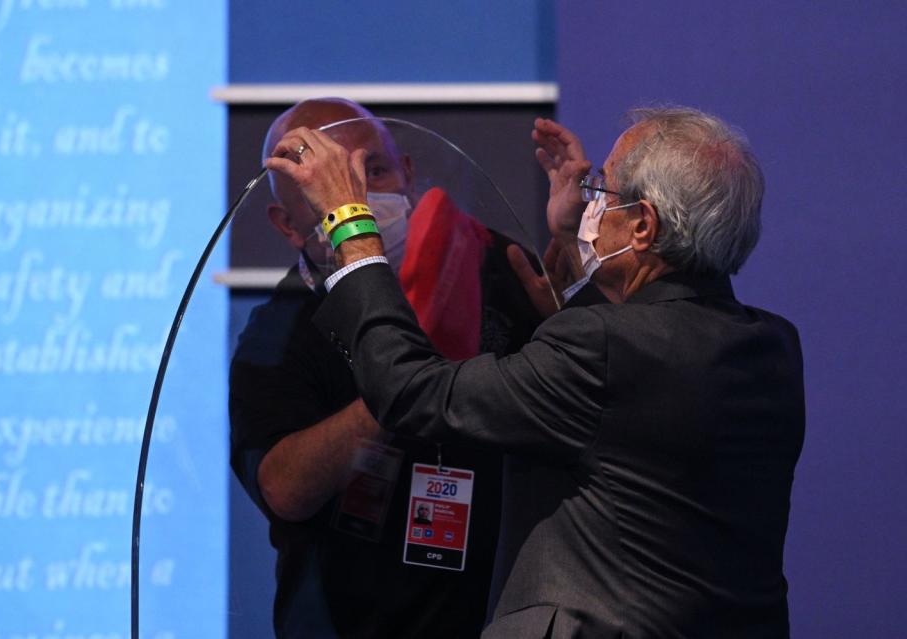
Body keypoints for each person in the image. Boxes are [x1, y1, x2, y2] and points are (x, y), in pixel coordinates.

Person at [266, 106, 806, 638]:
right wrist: (576, 268)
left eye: (604, 191)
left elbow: (410, 393)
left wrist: (349, 225)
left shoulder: (601, 346)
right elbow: (630, 414)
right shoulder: (772, 346)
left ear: (642, 226)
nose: (591, 202)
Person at [229, 98, 541, 638]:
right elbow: (284, 488)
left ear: (408, 174)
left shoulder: (491, 262)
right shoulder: (274, 334)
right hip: (350, 622)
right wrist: (404, 381)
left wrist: (574, 305)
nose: (359, 195)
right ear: (285, 223)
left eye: (374, 169)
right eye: (325, 179)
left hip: (498, 617)